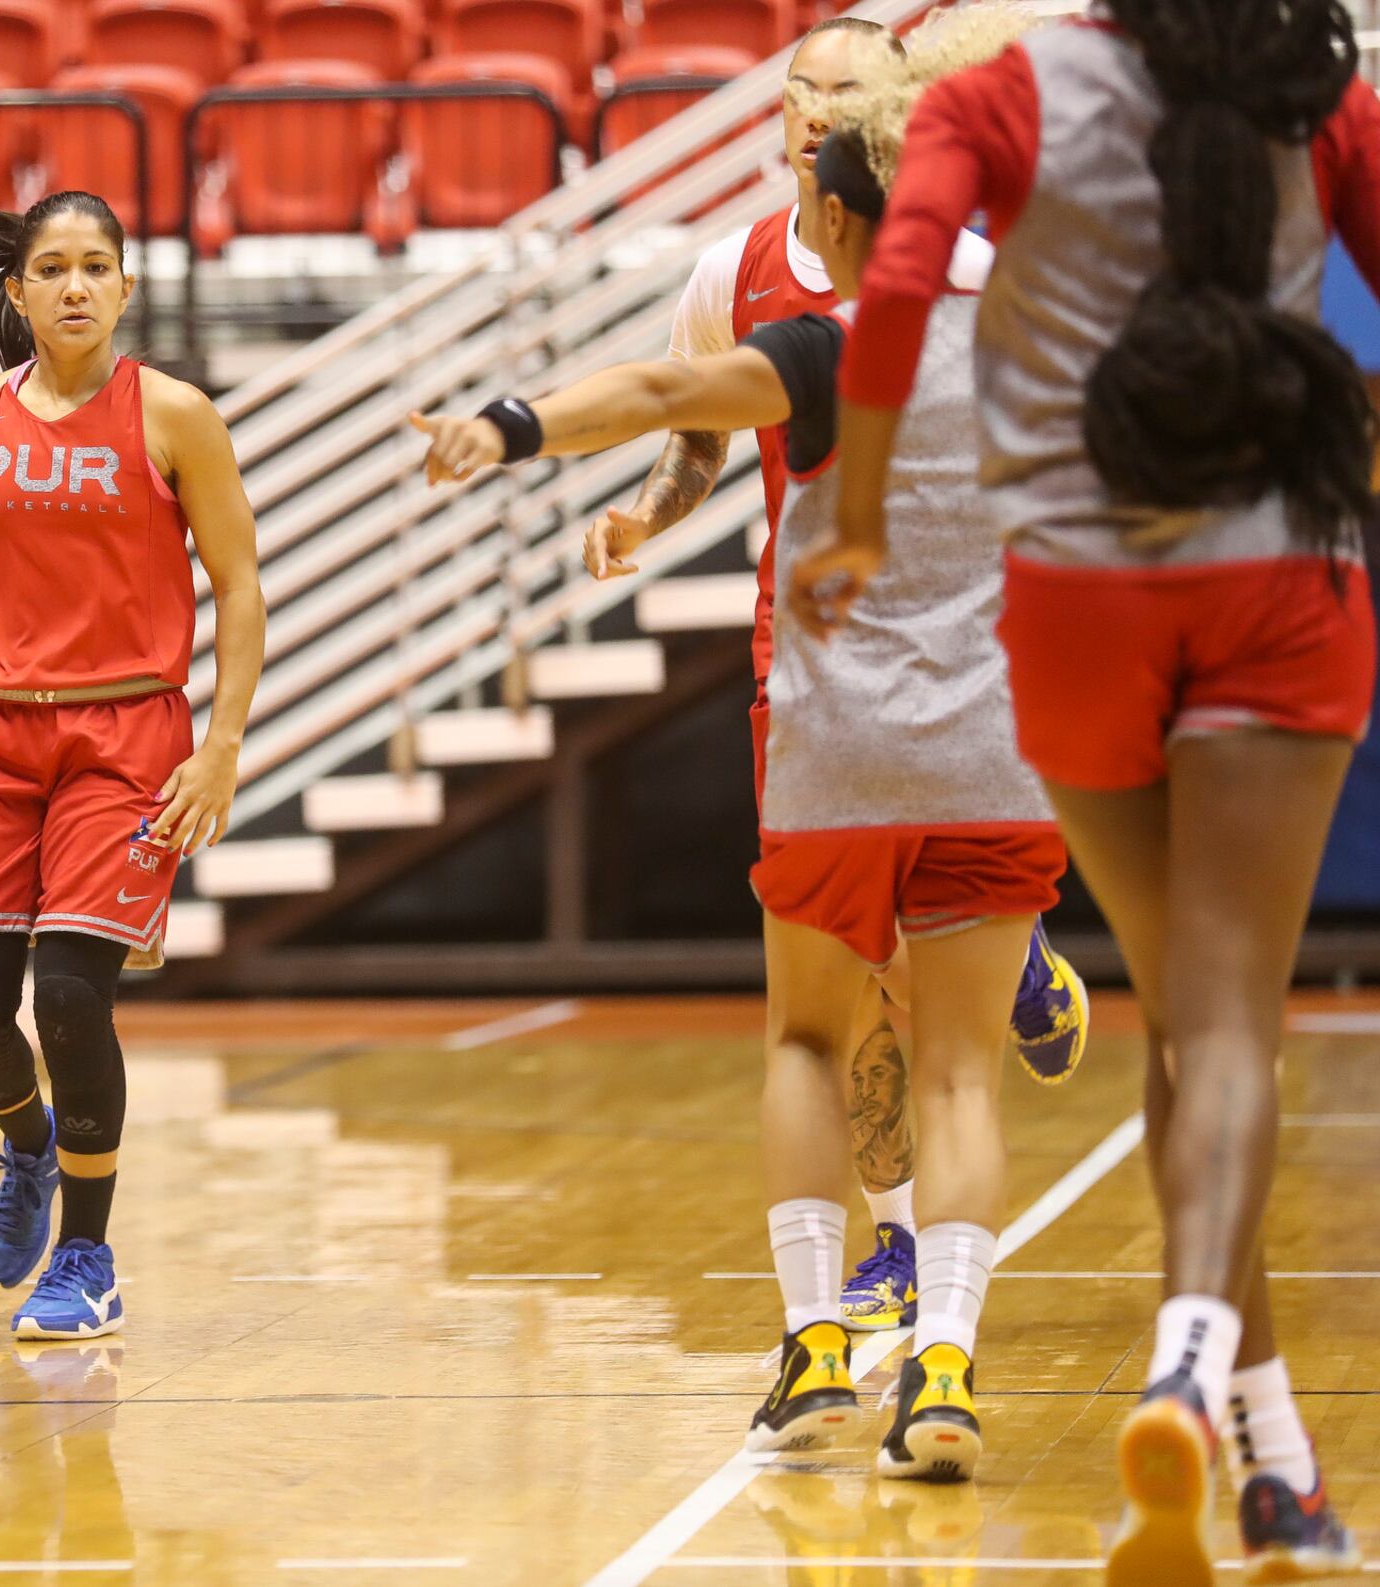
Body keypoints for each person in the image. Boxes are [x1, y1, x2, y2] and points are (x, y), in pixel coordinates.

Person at [415, 5, 1050, 1484]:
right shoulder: (1039, 337)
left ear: (838, 199)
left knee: (810, 1039)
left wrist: (509, 427)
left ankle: (820, 1346)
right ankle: (943, 1368)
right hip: (993, 739)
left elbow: (652, 393)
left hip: (835, 743)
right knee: (961, 1076)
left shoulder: (823, 343)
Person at [807, 0, 1380, 1576]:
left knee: (1185, 1021)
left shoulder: (995, 94)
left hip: (1076, 597)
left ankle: (1272, 1461)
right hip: (1279, 575)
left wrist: (855, 510)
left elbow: (903, 280)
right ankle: (1190, 1363)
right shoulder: (1311, 93)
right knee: (1232, 1023)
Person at [591, 14, 1088, 1337]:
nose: (818, 109)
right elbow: (692, 429)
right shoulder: (734, 270)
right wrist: (649, 514)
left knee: (905, 991)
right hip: (804, 656)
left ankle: (1013, 961)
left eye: (846, 89)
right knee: (849, 972)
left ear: (897, 115)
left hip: (958, 653)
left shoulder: (980, 269)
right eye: (801, 88)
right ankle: (897, 1240)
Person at [0, 190, 264, 1341]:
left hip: (125, 737)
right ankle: (31, 1148)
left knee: (75, 994)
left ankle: (85, 1255)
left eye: (98, 266)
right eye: (54, 267)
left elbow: (238, 584)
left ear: (126, 289)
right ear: (19, 291)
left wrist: (223, 745)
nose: (77, 285)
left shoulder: (177, 415)